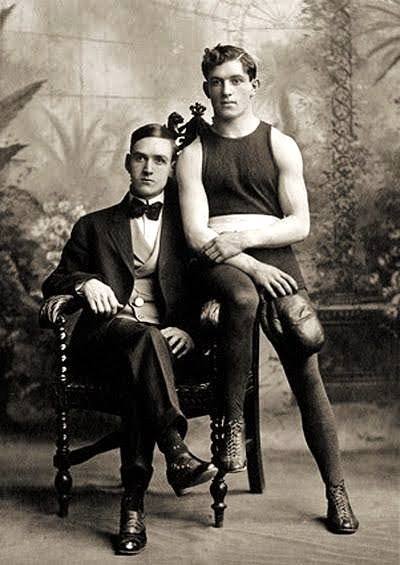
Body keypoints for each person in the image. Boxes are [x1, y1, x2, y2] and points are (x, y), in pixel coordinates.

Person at [176, 44, 359, 534]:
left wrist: (247, 241)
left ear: (253, 85)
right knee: (242, 296)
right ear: (206, 88)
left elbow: (299, 223)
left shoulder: (280, 144)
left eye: (236, 80)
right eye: (217, 82)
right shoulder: (192, 154)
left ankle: (337, 492)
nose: (226, 90)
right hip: (219, 263)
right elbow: (195, 234)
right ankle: (232, 425)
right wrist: (248, 263)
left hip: (271, 255)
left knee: (306, 367)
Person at [42, 123, 217, 556]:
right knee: (140, 343)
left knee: (140, 378)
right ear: (127, 162)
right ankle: (175, 451)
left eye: (159, 160)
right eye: (140, 157)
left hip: (168, 349)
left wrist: (190, 332)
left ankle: (133, 506)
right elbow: (54, 282)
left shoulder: (190, 227)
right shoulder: (94, 225)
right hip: (107, 340)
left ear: (172, 168)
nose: (148, 167)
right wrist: (85, 283)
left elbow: (211, 289)